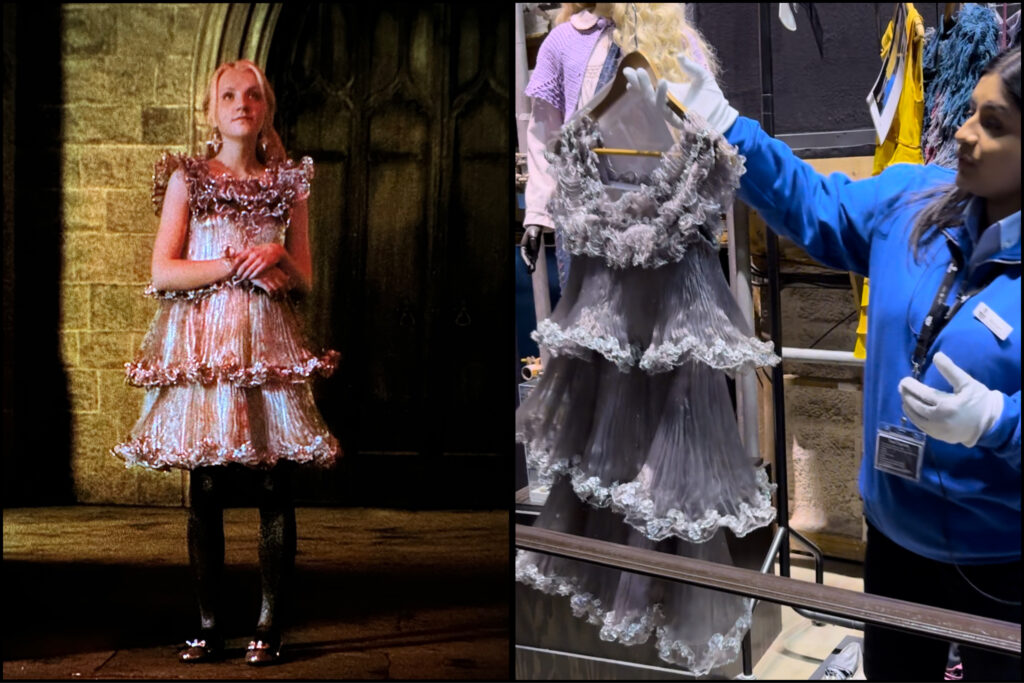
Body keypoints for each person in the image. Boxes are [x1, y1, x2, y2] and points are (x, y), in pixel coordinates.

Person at [626, 44, 1021, 680]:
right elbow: (813, 204)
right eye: (972, 112)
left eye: (994, 124)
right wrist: (726, 124)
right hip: (894, 536)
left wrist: (999, 421)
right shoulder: (913, 202)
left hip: (1002, 559)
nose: (966, 135)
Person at [111, 59, 341, 666]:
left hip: (266, 348)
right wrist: (233, 264)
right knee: (207, 486)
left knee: (272, 484)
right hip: (206, 349)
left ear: (265, 110)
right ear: (213, 110)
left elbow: (307, 280)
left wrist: (277, 257)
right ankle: (209, 623)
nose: (242, 104)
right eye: (230, 95)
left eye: (253, 96)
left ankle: (269, 623)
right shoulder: (189, 178)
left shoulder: (288, 183)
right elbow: (163, 271)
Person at [518, 3, 719, 288]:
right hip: (588, 215)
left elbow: (707, 123)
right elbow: (544, 137)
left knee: (667, 319)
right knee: (594, 318)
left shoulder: (674, 38)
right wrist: (537, 215)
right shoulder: (563, 41)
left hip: (664, 211)